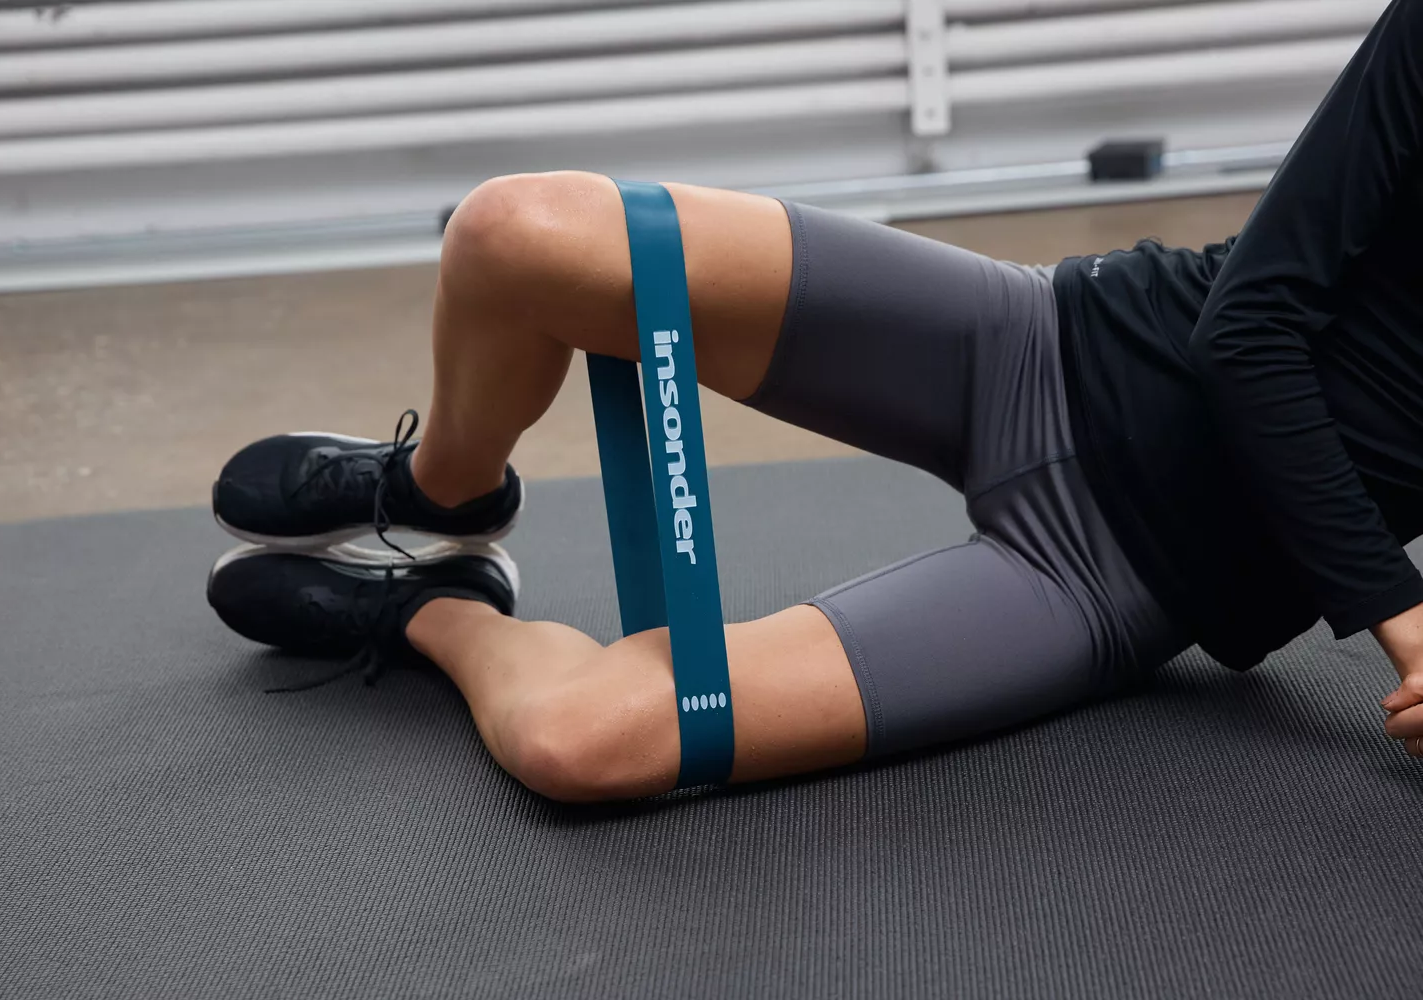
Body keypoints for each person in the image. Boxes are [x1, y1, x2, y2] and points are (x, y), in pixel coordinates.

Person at [207, 0, 1423, 802]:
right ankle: (446, 490)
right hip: (1046, 347)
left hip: (1112, 585)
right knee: (514, 234)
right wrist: (1403, 618)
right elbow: (1248, 332)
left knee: (580, 742)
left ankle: (431, 606)